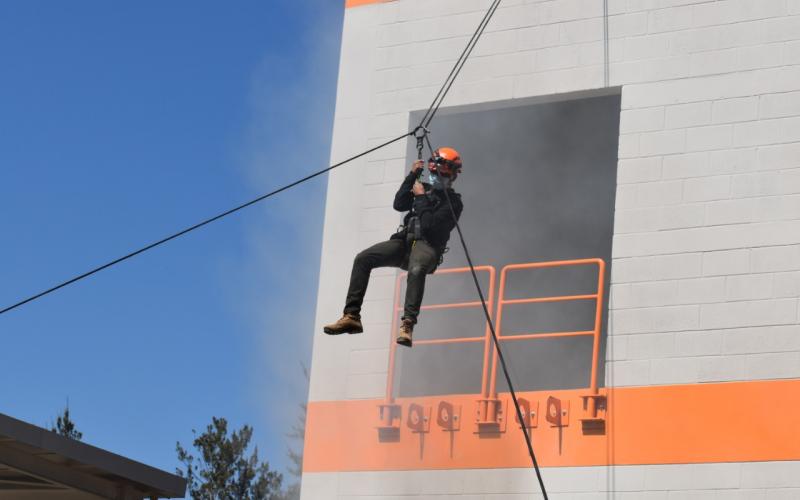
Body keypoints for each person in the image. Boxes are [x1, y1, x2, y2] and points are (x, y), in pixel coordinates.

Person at [323, 147, 464, 347]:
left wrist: (421, 197)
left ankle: (408, 324)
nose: (433, 175)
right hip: (404, 243)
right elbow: (399, 203)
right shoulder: (422, 187)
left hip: (427, 248)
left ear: (450, 175)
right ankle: (351, 316)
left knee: (416, 269)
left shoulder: (453, 203)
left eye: (437, 172)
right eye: (431, 172)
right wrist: (412, 175)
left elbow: (429, 225)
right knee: (363, 258)